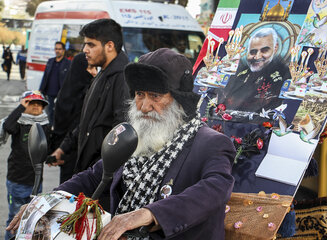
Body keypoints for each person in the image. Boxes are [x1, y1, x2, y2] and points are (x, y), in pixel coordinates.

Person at [7, 48, 235, 240]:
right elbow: (94, 176)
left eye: (155, 96)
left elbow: (216, 188)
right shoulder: (134, 137)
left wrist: (148, 213)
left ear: (180, 101)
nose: (144, 106)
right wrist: (46, 202)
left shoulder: (211, 143)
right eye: (139, 94)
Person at [50, 19, 130, 176]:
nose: (84, 49)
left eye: (91, 45)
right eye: (85, 44)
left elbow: (120, 134)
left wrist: (98, 174)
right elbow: (87, 122)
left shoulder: (122, 78)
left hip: (100, 178)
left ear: (109, 46)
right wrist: (63, 148)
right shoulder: (101, 75)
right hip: (86, 172)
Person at [3, 91, 50, 240]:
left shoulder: (45, 124)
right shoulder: (19, 123)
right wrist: (20, 108)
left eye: (39, 104)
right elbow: (7, 127)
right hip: (17, 180)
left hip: (36, 181)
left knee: (32, 220)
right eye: (32, 103)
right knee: (15, 219)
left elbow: (50, 147)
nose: (36, 107)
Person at [219, 28, 290, 115]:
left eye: (264, 50)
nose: (257, 57)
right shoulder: (241, 72)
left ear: (275, 48)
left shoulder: (283, 75)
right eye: (253, 52)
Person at [52, 52, 97, 183]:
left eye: (95, 68)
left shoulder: (68, 93)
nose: (94, 73)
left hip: (75, 154)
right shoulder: (85, 96)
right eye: (90, 68)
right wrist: (59, 149)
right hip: (71, 154)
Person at [39, 41, 71, 126]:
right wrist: (41, 90)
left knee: (60, 115)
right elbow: (45, 76)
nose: (57, 51)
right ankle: (50, 131)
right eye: (56, 49)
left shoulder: (68, 63)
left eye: (60, 49)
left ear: (63, 50)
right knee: (50, 114)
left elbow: (70, 80)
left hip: (61, 94)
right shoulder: (50, 61)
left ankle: (57, 131)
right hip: (49, 94)